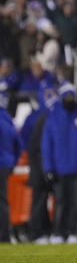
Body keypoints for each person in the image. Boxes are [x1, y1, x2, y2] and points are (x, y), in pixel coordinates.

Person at [41, 83, 77, 245]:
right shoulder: (53, 117)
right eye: (67, 97)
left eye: (72, 96)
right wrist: (48, 168)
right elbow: (47, 145)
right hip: (59, 169)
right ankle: (59, 232)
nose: (70, 99)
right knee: (61, 203)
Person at [21, 87, 57, 243]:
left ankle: (44, 231)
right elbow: (28, 143)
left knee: (42, 199)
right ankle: (37, 233)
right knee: (41, 200)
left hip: (45, 162)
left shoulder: (36, 117)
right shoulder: (48, 117)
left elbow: (25, 141)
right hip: (42, 163)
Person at [0, 83, 21, 243]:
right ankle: (5, 235)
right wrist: (13, 161)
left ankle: (5, 236)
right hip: (6, 163)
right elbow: (18, 143)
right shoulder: (8, 119)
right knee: (3, 201)